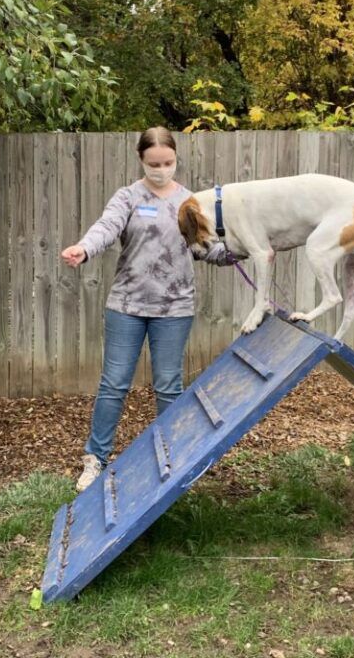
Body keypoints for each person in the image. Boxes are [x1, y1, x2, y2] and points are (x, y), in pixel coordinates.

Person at [60, 126, 233, 491]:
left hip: (175, 307)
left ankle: (171, 457)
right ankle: (95, 460)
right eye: (154, 163)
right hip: (127, 304)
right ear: (141, 159)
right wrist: (84, 248)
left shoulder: (190, 201)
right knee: (114, 383)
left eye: (167, 162)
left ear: (176, 159)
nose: (161, 169)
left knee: (169, 386)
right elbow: (106, 227)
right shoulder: (128, 197)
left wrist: (245, 250)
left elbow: (206, 248)